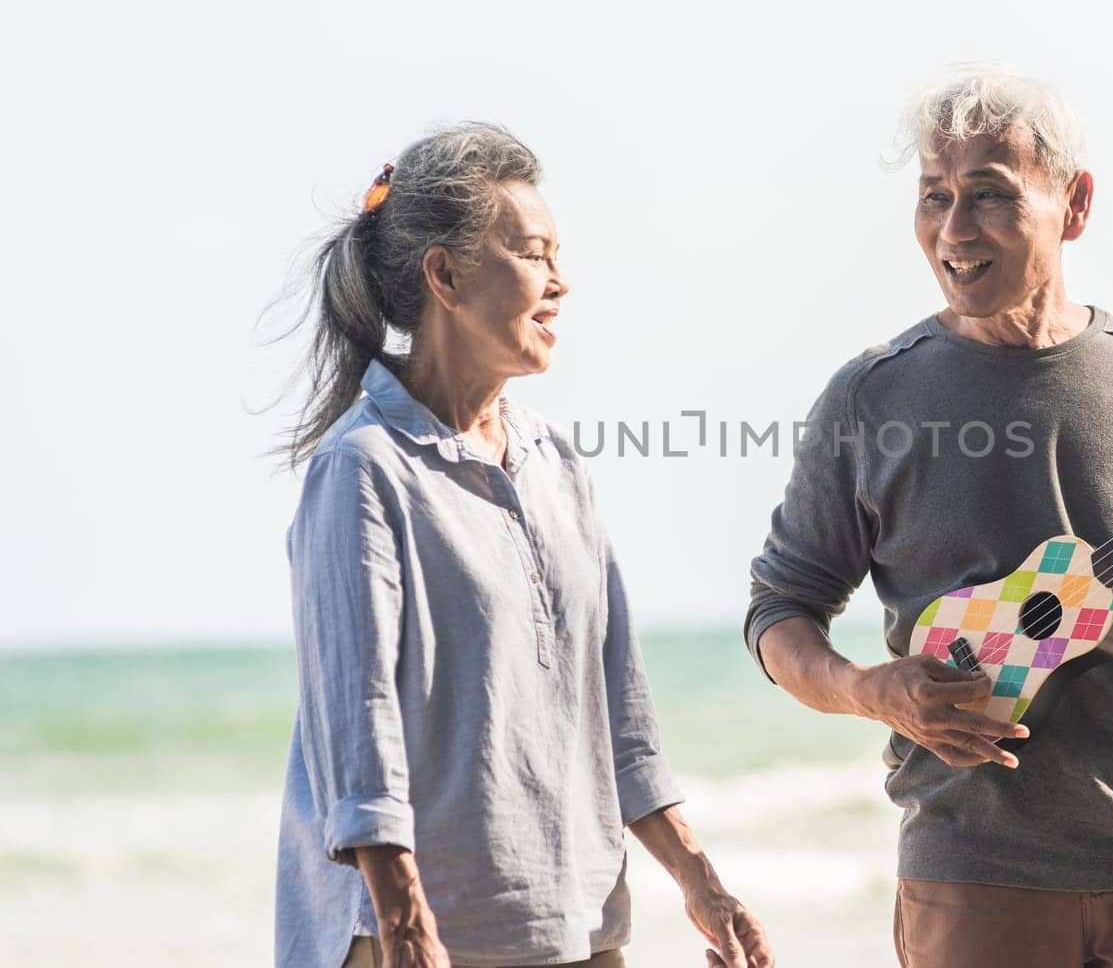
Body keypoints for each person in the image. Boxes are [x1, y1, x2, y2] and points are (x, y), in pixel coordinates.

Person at [745, 66, 1113, 968]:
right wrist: (869, 690)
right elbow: (778, 612)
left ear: (1073, 204)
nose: (953, 229)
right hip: (971, 862)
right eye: (934, 196)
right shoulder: (872, 396)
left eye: (989, 196)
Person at [270, 123, 772, 968]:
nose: (560, 283)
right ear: (447, 276)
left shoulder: (557, 465)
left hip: (581, 926)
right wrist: (405, 925)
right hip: (423, 938)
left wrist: (699, 880)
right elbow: (357, 730)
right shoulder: (363, 469)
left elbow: (620, 708)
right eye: (534, 254)